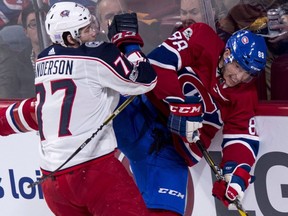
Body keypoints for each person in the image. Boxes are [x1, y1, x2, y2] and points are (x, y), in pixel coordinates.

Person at [1, 2, 158, 216]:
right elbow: (146, 81)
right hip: (94, 173)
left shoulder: (44, 58)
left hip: (53, 181)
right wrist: (128, 43)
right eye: (86, 29)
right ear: (68, 37)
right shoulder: (99, 56)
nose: (94, 31)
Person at [144, 23, 267, 213]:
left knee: (166, 211)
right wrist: (180, 106)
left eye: (249, 74)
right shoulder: (201, 38)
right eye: (238, 67)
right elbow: (158, 62)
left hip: (174, 147)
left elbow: (241, 135)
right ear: (227, 54)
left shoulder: (246, 94)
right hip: (146, 112)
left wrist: (234, 173)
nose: (240, 77)